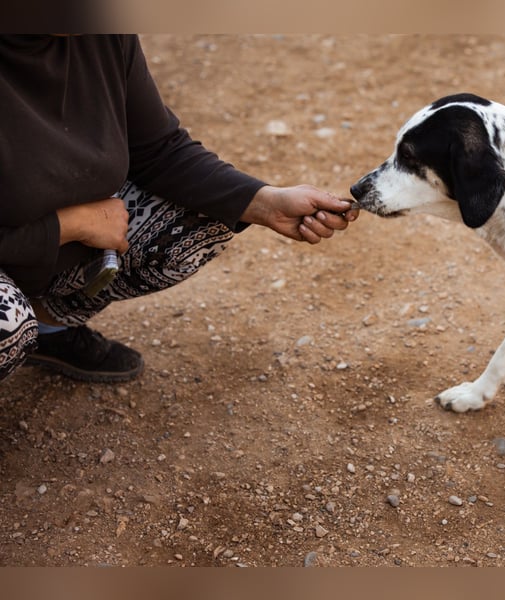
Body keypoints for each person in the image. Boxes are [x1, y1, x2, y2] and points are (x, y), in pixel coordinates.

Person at [0, 34, 359, 383]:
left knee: (201, 217)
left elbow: (159, 149)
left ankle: (46, 330)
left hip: (39, 242)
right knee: (7, 323)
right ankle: (21, 327)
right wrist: (69, 225)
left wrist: (264, 202)